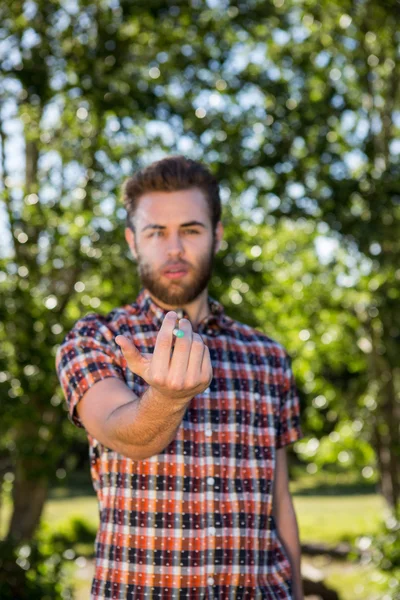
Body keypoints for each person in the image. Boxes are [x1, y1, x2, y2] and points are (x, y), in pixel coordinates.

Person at [55, 155, 304, 600]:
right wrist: (166, 399)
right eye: (156, 232)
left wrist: (298, 592)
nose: (174, 248)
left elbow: (279, 502)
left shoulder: (268, 356)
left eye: (190, 230)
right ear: (133, 241)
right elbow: (127, 435)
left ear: (217, 235)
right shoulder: (96, 339)